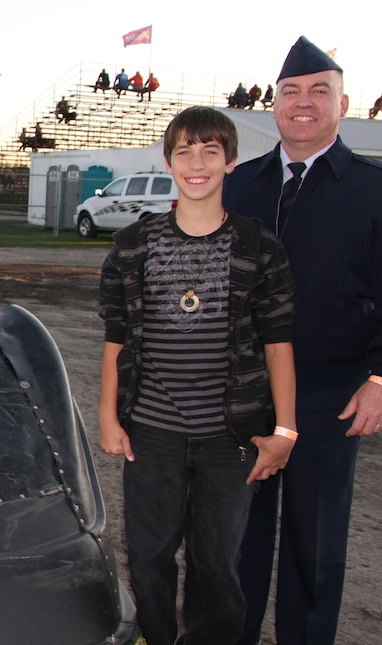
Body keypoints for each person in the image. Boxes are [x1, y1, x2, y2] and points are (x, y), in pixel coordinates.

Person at [99, 105, 297, 645]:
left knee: (217, 567)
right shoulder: (132, 249)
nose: (197, 162)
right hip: (152, 433)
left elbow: (279, 346)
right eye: (185, 150)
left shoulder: (259, 248)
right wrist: (109, 416)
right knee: (148, 558)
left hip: (229, 439)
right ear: (169, 161)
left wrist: (285, 432)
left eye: (211, 151)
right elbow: (117, 339)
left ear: (230, 162)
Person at [223, 36, 382, 645]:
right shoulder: (238, 188)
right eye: (291, 92)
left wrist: (378, 379)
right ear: (275, 108)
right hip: (245, 396)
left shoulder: (371, 190)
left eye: (320, 91)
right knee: (237, 540)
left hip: (329, 395)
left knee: (314, 546)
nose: (304, 103)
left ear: (344, 104)